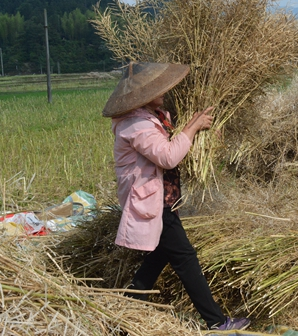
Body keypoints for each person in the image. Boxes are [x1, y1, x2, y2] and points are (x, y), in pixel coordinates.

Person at [102, 62, 250, 331]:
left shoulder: (153, 116)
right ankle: (216, 321)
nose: (165, 91)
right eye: (158, 88)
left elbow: (173, 141)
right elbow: (168, 156)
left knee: (159, 256)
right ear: (144, 95)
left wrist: (198, 129)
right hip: (153, 202)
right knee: (185, 257)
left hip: (162, 197)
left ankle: (121, 317)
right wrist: (192, 129)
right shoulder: (136, 125)